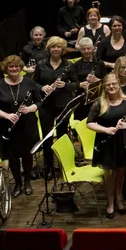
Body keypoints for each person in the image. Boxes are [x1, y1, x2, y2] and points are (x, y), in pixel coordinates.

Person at [87, 74, 126, 218]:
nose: (111, 87)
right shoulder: (99, 103)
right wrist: (105, 130)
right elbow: (89, 123)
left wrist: (124, 125)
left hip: (123, 141)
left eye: (114, 84)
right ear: (104, 87)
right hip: (106, 143)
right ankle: (110, 202)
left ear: (118, 84)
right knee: (110, 174)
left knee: (121, 171)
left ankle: (118, 198)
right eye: (108, 85)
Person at [0, 55, 42, 198]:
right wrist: (7, 115)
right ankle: (18, 183)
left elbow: (39, 102)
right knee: (12, 157)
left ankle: (27, 182)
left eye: (17, 66)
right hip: (7, 126)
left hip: (27, 125)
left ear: (21, 68)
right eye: (11, 66)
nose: (14, 69)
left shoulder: (29, 82)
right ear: (6, 69)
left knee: (27, 155)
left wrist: (30, 108)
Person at [33, 37, 78, 180]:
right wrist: (42, 87)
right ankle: (49, 166)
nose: (56, 49)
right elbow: (34, 83)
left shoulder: (69, 65)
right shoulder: (41, 64)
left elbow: (76, 84)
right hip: (46, 105)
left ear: (63, 49)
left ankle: (64, 164)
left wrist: (65, 85)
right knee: (47, 137)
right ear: (49, 49)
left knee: (63, 135)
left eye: (59, 47)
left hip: (62, 105)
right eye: (53, 47)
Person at [73, 36, 107, 121]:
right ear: (80, 50)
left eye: (88, 48)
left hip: (97, 98)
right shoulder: (76, 65)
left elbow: (107, 81)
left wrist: (96, 80)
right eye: (83, 49)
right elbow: (74, 82)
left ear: (93, 49)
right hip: (82, 98)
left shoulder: (100, 63)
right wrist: (81, 84)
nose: (86, 51)